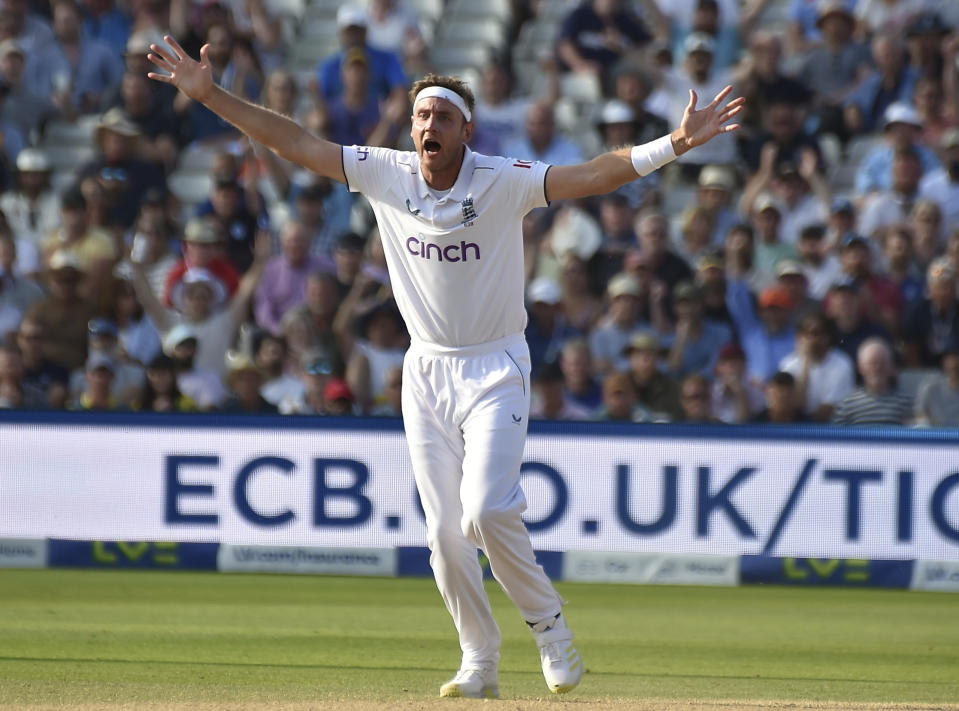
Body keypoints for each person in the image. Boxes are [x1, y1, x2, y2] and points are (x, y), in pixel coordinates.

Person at [147, 33, 742, 698]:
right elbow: (294, 143)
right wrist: (211, 95)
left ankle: (549, 628)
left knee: (485, 510)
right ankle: (478, 657)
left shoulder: (504, 179)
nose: (430, 127)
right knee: (441, 533)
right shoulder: (384, 171)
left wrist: (676, 143)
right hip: (426, 371)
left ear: (467, 129)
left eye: (443, 118)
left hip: (495, 367)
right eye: (422, 116)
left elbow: (592, 175)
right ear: (411, 125)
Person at [832, 337, 913, 425]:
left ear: (891, 367)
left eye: (882, 363)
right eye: (872, 363)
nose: (877, 368)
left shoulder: (906, 404)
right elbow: (838, 436)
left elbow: (913, 434)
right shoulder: (847, 405)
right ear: (860, 368)